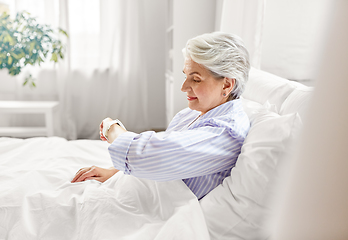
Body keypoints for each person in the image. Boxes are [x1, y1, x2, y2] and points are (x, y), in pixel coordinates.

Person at [72, 32, 251, 200]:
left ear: (227, 85)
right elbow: (164, 155)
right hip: (142, 192)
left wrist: (112, 128)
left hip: (157, 211)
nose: (183, 87)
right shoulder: (194, 113)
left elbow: (145, 155)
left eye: (195, 79)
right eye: (186, 76)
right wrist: (113, 172)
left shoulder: (225, 133)